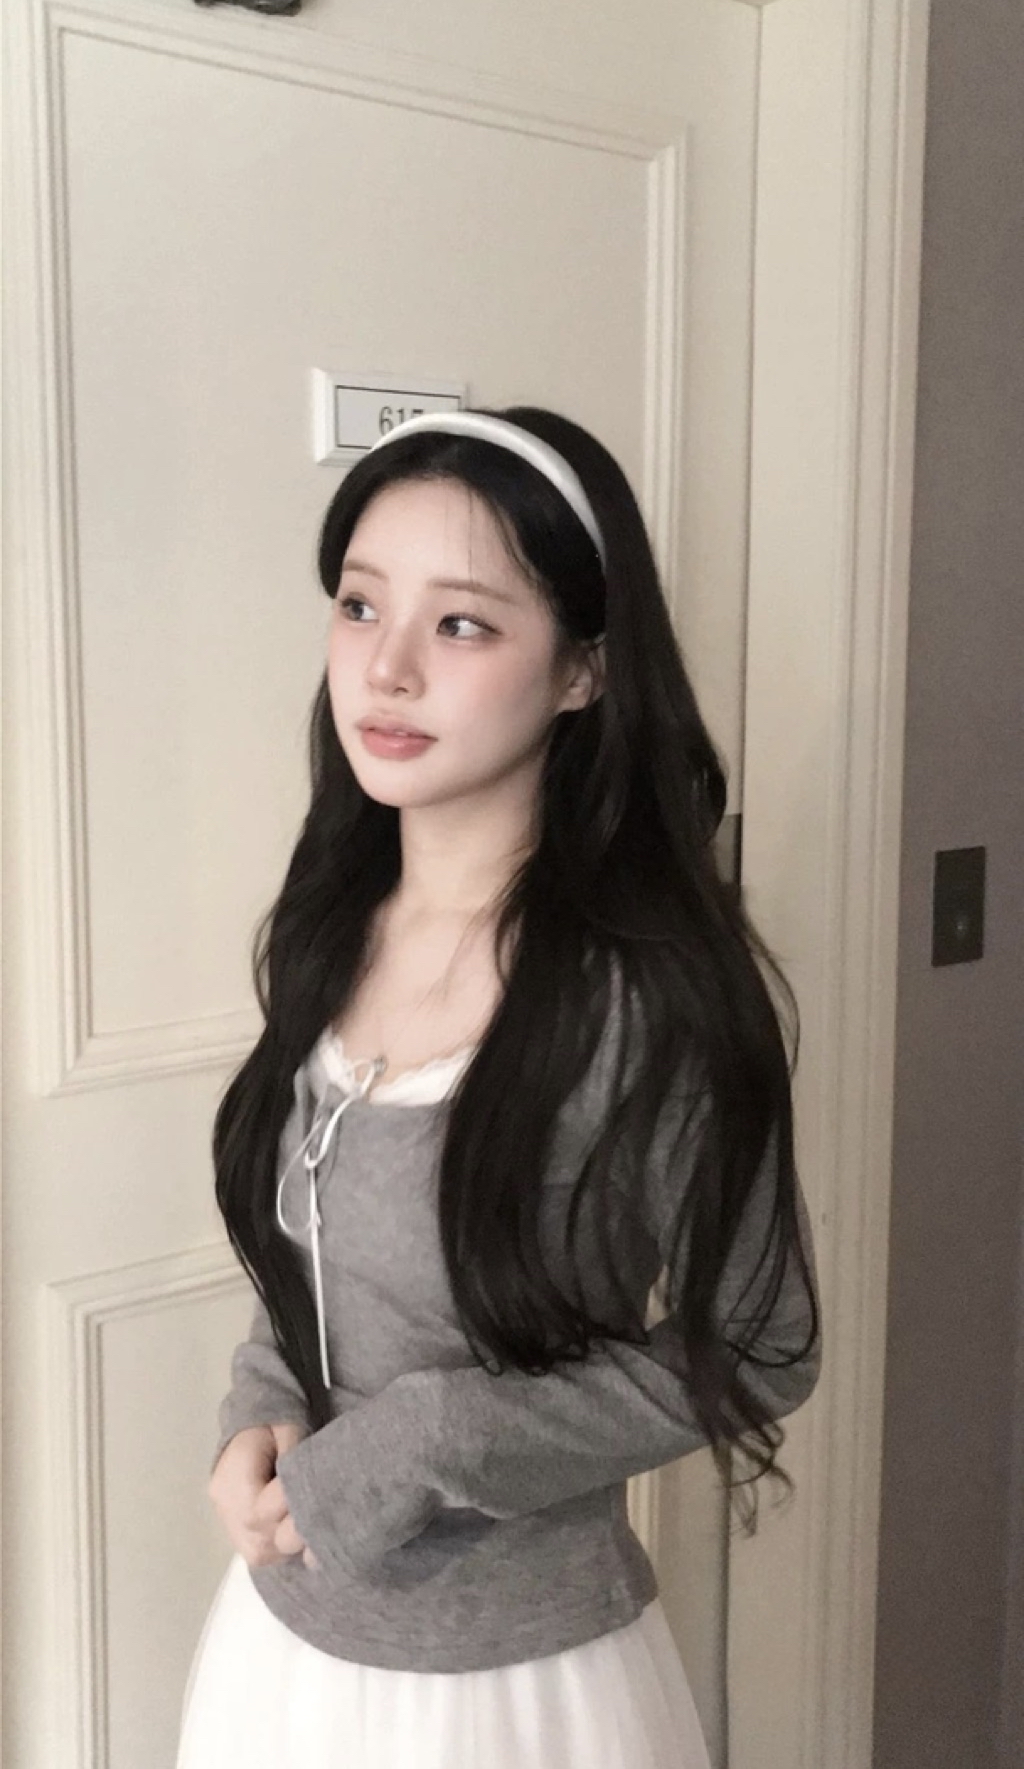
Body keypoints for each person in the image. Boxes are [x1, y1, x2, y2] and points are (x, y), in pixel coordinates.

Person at [175, 405, 823, 1768]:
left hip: (516, 1695)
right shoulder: (330, 925)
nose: (387, 667)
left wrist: (437, 1435)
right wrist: (258, 1404)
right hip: (278, 1659)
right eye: (360, 604)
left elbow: (763, 1347)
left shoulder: (650, 1000)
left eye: (462, 623)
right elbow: (315, 1256)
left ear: (585, 670)